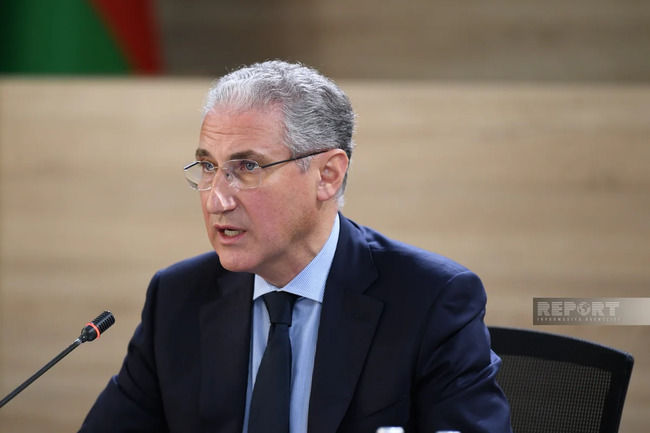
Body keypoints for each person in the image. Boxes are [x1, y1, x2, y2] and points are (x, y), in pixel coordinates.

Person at [79, 60, 512, 433]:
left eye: (248, 166)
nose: (216, 200)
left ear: (327, 176)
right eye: (208, 166)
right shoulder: (177, 298)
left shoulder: (430, 300)